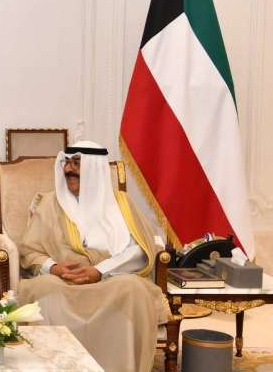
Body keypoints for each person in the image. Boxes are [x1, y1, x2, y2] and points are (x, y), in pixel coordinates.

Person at [17, 141, 168, 372]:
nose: (68, 169)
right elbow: (30, 250)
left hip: (111, 280)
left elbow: (139, 249)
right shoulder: (49, 204)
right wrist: (54, 268)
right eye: (66, 162)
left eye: (76, 163)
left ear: (95, 168)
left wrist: (100, 271)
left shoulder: (122, 204)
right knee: (42, 288)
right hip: (63, 281)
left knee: (133, 289)